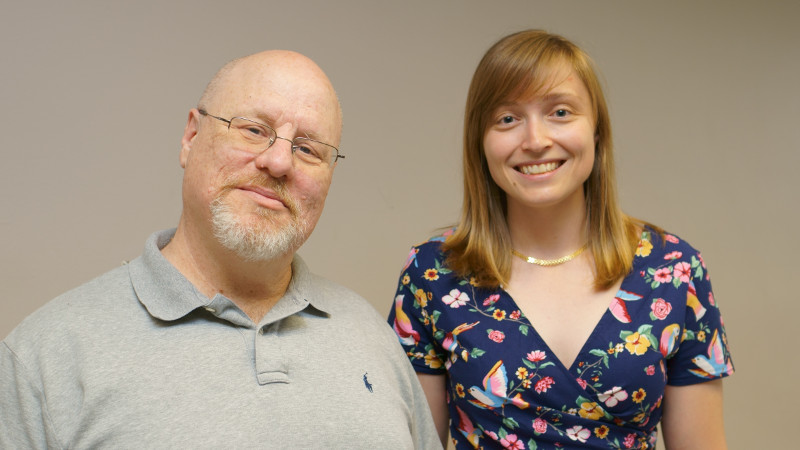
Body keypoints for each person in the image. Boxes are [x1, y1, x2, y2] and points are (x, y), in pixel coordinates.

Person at [1, 50, 441, 449]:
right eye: (254, 130)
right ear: (191, 137)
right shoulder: (44, 358)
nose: (279, 162)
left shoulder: (372, 337)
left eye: (308, 149)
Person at [388, 30, 733, 449]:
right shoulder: (432, 274)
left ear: (597, 131)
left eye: (561, 112)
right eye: (507, 119)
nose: (536, 141)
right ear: (480, 142)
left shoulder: (675, 270)